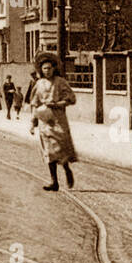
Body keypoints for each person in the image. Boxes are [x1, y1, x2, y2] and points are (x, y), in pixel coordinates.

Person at [28, 52, 77, 191]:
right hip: (45, 121)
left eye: (49, 68)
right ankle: (54, 181)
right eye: (44, 68)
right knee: (48, 152)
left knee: (61, 149)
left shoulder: (61, 82)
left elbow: (71, 99)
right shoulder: (39, 84)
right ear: (41, 70)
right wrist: (33, 123)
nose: (47, 71)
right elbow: (35, 104)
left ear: (54, 68)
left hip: (58, 120)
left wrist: (57, 103)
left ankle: (67, 169)